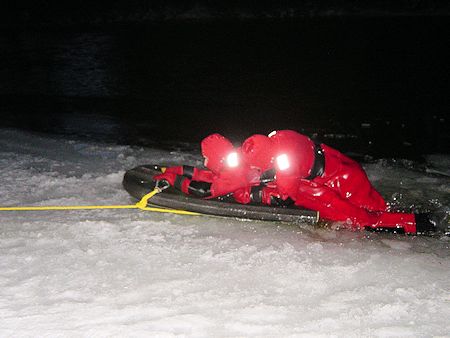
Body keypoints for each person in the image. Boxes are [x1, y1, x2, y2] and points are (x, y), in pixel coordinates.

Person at [154, 131, 440, 235]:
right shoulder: (266, 143)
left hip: (332, 177)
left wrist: (172, 178)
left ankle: (424, 223)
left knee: (363, 219)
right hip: (334, 162)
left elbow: (284, 197)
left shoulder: (284, 166)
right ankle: (412, 218)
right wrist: (177, 170)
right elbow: (221, 177)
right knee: (373, 206)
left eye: (206, 160)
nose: (204, 164)